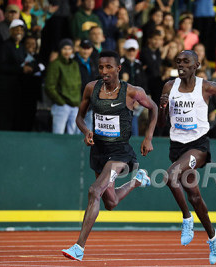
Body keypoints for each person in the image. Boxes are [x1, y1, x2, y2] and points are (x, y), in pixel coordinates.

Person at [61, 50, 158, 261]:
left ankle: (79, 247)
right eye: (101, 67)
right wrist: (86, 131)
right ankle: (138, 181)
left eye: (109, 67)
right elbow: (79, 117)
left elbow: (154, 108)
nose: (104, 71)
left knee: (94, 191)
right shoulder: (91, 88)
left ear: (118, 69)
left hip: (119, 152)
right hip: (99, 150)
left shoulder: (132, 92)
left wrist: (148, 137)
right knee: (110, 202)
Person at [157, 50, 216, 265]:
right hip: (176, 145)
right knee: (194, 197)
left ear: (196, 65)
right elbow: (161, 124)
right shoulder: (168, 87)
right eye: (178, 61)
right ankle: (213, 236)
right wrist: (162, 108)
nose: (181, 65)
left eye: (186, 62)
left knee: (170, 176)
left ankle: (186, 218)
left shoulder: (206, 87)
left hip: (198, 146)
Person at [45, 38, 81, 134]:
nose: (67, 51)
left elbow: (78, 84)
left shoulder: (75, 64)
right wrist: (60, 101)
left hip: (74, 105)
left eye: (69, 49)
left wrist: (78, 101)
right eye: (64, 48)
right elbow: (49, 86)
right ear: (60, 50)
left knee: (73, 135)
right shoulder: (55, 64)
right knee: (58, 134)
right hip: (61, 106)